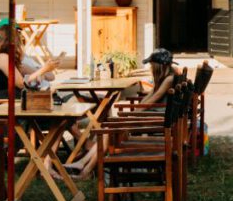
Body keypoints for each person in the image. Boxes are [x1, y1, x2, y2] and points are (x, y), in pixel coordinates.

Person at [64, 48, 180, 178]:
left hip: (156, 119)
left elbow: (153, 99)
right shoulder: (166, 77)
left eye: (152, 65)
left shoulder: (170, 79)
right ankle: (84, 166)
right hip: (155, 116)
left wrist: (131, 115)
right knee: (109, 130)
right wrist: (135, 111)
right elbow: (150, 96)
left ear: (159, 66)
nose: (151, 68)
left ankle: (85, 168)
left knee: (110, 130)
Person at [0, 19, 60, 99]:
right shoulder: (2, 58)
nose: (20, 39)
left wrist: (46, 69)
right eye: (18, 35)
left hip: (11, 100)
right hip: (3, 103)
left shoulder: (10, 58)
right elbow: (20, 83)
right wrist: (44, 69)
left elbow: (48, 77)